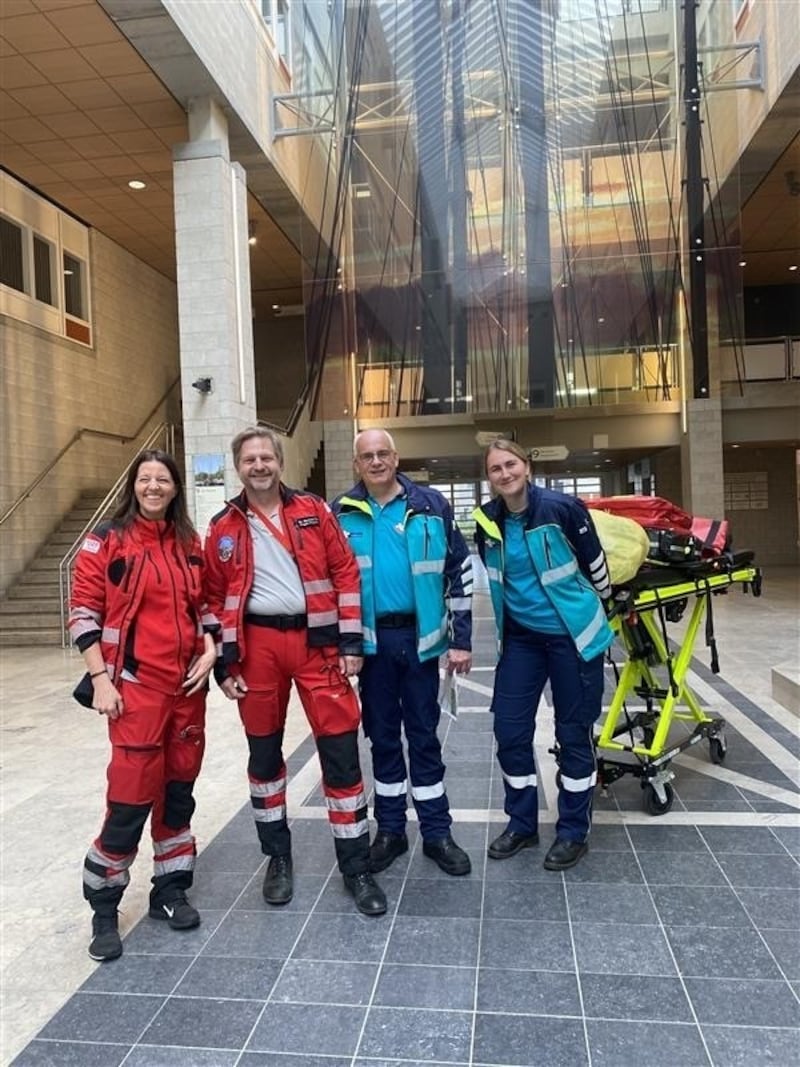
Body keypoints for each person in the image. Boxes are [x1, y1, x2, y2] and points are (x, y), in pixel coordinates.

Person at [203, 427, 386, 916]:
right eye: (249, 459)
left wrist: (350, 640)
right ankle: (277, 858)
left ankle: (356, 866)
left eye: (266, 457)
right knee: (264, 759)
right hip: (257, 646)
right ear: (237, 467)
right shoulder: (222, 526)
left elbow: (345, 571)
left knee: (342, 751)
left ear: (279, 463)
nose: (259, 465)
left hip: (316, 644)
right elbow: (213, 600)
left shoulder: (313, 510)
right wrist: (224, 663)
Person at [69, 450, 218, 962]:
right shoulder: (106, 541)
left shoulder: (188, 543)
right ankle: (104, 906)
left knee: (178, 795)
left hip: (186, 693)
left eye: (163, 480)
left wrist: (212, 646)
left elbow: (204, 606)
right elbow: (83, 611)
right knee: (130, 799)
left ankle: (170, 891)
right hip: (134, 691)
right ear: (133, 486)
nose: (154, 487)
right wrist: (100, 679)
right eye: (145, 479)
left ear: (176, 489)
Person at [333, 429, 473, 876]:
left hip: (420, 641)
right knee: (383, 739)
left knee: (424, 736)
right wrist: (344, 644)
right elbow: (331, 584)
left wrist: (462, 638)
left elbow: (459, 571)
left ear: (396, 457)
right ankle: (390, 830)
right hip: (371, 647)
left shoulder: (430, 505)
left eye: (382, 454)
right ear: (357, 464)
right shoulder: (340, 514)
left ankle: (437, 832)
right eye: (366, 456)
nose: (375, 462)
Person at [473, 438, 613, 871]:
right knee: (510, 731)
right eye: (495, 469)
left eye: (510, 464)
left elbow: (597, 567)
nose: (504, 474)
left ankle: (573, 832)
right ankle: (522, 824)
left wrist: (602, 606)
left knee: (573, 734)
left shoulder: (562, 509)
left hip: (573, 640)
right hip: (522, 641)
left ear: (526, 466)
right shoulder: (488, 522)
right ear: (489, 477)